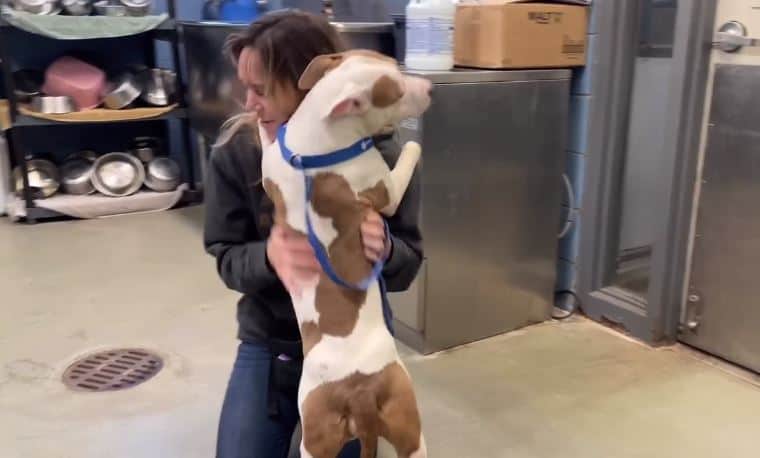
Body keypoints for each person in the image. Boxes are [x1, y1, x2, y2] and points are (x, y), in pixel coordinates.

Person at [203, 10, 424, 458]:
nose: (249, 104)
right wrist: (270, 258)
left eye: (261, 90)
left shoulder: (378, 156)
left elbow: (409, 263)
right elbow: (226, 257)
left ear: (314, 88)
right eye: (245, 87)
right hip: (272, 346)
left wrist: (382, 249)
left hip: (358, 359)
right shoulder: (238, 154)